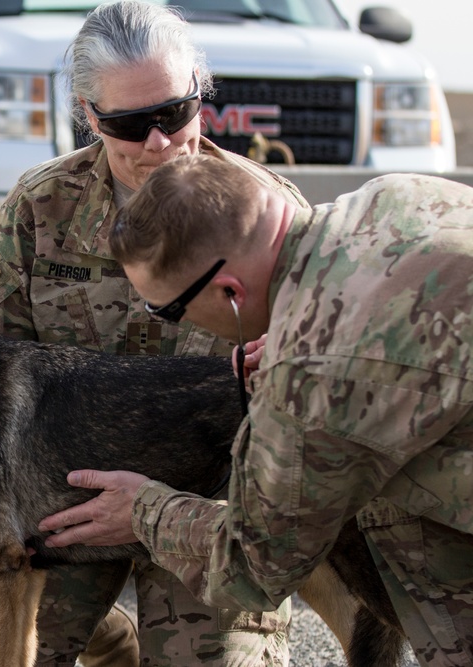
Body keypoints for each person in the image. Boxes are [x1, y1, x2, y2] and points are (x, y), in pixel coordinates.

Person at [0, 2, 310, 665]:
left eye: (175, 113)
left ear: (200, 98)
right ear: (89, 115)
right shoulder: (39, 209)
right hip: (62, 501)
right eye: (129, 123)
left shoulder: (269, 214)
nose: (159, 142)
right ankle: (108, 638)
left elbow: (313, 401)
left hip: (208, 505)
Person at [40, 152, 473, 666]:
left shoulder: (311, 379)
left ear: (230, 292)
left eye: (167, 309)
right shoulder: (392, 197)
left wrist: (144, 511)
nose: (164, 320)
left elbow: (254, 567)